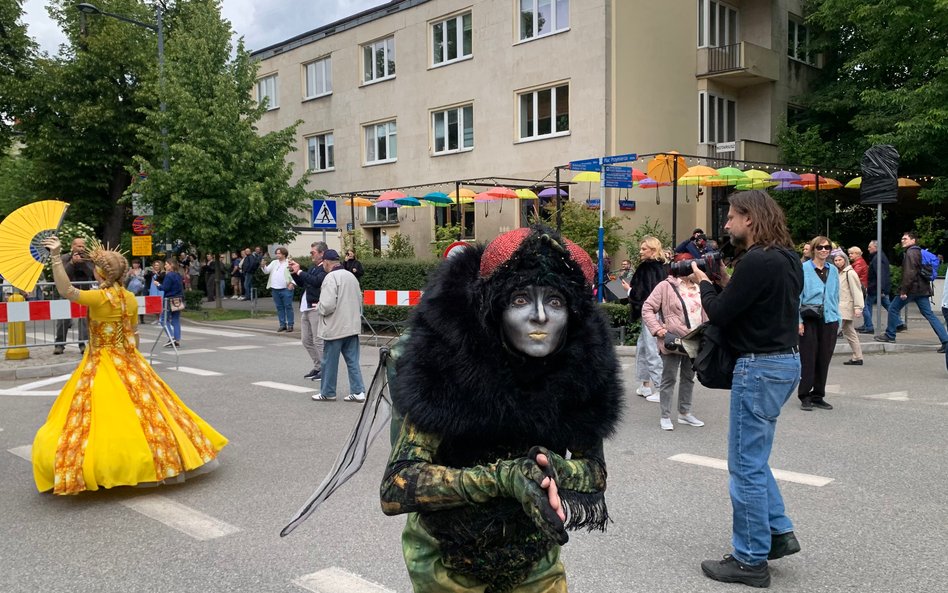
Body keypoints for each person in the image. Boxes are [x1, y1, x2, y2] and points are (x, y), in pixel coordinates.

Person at [380, 225, 622, 592]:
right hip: (447, 561)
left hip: (535, 559)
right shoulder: (448, 363)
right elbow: (397, 486)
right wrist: (502, 478)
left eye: (555, 301)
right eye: (521, 299)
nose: (540, 316)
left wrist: (551, 468)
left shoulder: (582, 369)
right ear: (495, 307)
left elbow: (594, 472)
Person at [32, 236, 227, 495]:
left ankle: (110, 466)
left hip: (101, 360)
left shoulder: (99, 298)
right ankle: (161, 457)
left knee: (93, 417)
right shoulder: (129, 298)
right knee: (150, 411)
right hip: (129, 359)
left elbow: (67, 291)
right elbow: (133, 334)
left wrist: (56, 257)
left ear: (101, 273)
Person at [690, 190, 802, 588]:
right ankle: (778, 533)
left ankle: (750, 560)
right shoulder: (788, 258)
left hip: (759, 367)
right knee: (755, 457)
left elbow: (720, 312)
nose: (725, 224)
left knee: (745, 466)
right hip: (786, 362)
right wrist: (724, 282)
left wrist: (704, 283)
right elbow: (755, 308)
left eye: (731, 217)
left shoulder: (757, 260)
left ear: (750, 219)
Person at [641, 270, 707, 431]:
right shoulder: (666, 286)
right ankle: (665, 415)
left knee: (689, 377)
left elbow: (706, 311)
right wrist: (657, 329)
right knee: (669, 378)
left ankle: (684, 413)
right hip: (673, 340)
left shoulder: (699, 286)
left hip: (695, 338)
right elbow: (647, 307)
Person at [875, 231, 948, 349]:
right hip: (922, 289)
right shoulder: (918, 252)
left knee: (893, 308)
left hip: (912, 289)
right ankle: (945, 341)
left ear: (913, 240)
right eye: (902, 239)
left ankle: (890, 335)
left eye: (905, 239)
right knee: (929, 314)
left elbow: (909, 273)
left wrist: (903, 291)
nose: (902, 241)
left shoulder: (910, 253)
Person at [311, 250, 365, 402]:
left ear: (327, 262)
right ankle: (358, 391)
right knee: (353, 361)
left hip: (335, 327)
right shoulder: (351, 276)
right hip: (351, 326)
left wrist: (319, 307)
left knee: (329, 362)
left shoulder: (330, 277)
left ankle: (328, 392)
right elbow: (359, 299)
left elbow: (327, 305)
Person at [621, 236, 667, 402]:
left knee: (651, 349)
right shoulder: (664, 267)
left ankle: (661, 388)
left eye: (644, 249)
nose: (640, 252)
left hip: (650, 313)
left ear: (653, 250)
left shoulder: (645, 268)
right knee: (643, 347)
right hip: (661, 312)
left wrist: (628, 290)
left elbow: (641, 294)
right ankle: (644, 385)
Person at [798, 236, 840, 411]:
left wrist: (838, 318)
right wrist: (798, 321)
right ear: (814, 249)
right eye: (820, 247)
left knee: (824, 358)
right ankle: (804, 395)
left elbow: (836, 295)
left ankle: (818, 395)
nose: (824, 250)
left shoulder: (833, 270)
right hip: (809, 319)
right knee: (808, 358)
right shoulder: (803, 269)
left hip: (829, 319)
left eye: (827, 248)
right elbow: (796, 296)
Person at [289, 241, 327, 380]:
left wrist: (300, 271)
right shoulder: (313, 267)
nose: (311, 255)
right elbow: (303, 283)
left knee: (318, 341)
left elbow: (316, 282)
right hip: (306, 307)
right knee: (306, 340)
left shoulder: (324, 268)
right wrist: (294, 273)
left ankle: (325, 369)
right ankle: (318, 366)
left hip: (315, 307)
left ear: (322, 253)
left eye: (313, 252)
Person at [53, 237, 95, 355]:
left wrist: (83, 264)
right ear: (73, 246)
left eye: (83, 246)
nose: (81, 248)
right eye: (78, 246)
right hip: (67, 292)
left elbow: (92, 274)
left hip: (83, 292)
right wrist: (72, 263)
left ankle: (83, 344)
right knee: (63, 320)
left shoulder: (89, 258)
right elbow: (62, 274)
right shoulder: (65, 258)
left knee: (83, 319)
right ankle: (59, 345)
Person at [833, 249, 865, 366]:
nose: (837, 262)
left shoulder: (849, 273)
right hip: (841, 306)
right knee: (849, 332)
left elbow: (856, 291)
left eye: (840, 260)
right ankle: (857, 356)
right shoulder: (839, 273)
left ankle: (822, 355)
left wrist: (858, 307)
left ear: (845, 260)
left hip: (845, 306)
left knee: (833, 331)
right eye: (835, 260)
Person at [860, 240, 894, 334]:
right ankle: (898, 322)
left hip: (875, 287)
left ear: (875, 247)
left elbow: (881, 274)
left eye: (870, 247)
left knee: (866, 306)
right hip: (878, 287)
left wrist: (881, 289)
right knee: (888, 305)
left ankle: (869, 325)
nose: (868, 249)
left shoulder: (877, 258)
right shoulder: (879, 257)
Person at [261, 247, 296, 332]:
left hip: (286, 288)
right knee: (279, 307)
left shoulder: (289, 262)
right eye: (276, 253)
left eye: (279, 253)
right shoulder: (274, 262)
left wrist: (292, 283)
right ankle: (282, 324)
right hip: (275, 288)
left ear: (284, 254)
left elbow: (295, 274)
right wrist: (263, 266)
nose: (277, 255)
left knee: (288, 306)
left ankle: (290, 324)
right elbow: (266, 271)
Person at [155, 259, 184, 348]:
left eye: (167, 264)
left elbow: (165, 288)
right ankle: (177, 339)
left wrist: (158, 284)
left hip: (169, 299)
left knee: (163, 319)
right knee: (175, 319)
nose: (165, 266)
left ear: (171, 265)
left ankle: (171, 338)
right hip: (178, 299)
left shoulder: (169, 275)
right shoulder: (178, 275)